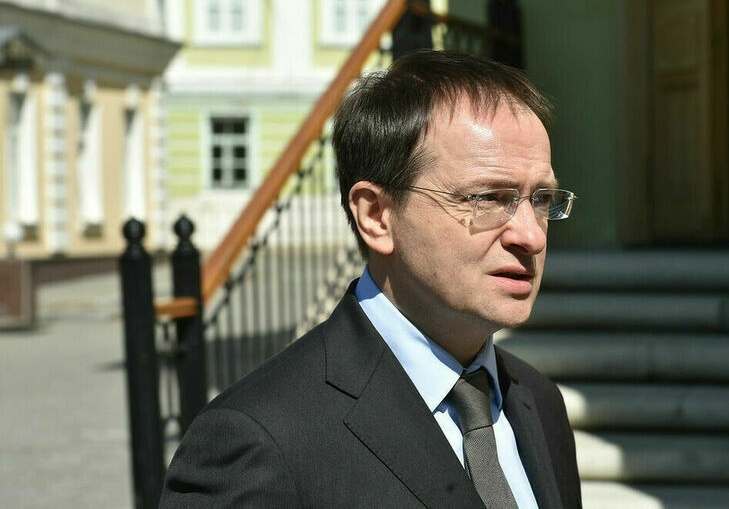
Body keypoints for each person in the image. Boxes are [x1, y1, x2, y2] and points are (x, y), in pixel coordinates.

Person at [160, 50, 581, 509]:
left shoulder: (537, 401)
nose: (531, 236)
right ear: (377, 216)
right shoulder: (259, 441)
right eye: (489, 198)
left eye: (541, 199)